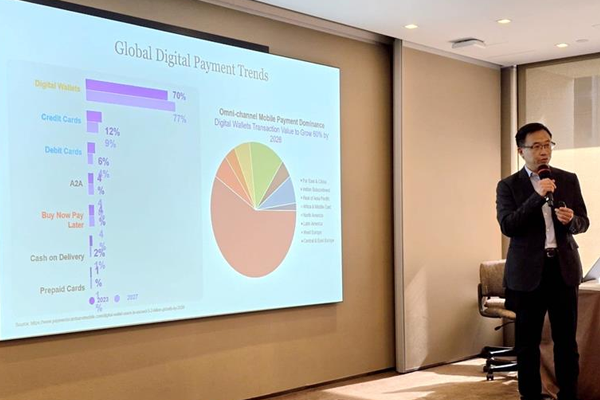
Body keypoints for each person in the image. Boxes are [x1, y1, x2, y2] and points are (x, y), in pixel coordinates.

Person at [496, 122, 589, 400]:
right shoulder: (508, 186)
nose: (544, 152)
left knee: (566, 343)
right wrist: (536, 197)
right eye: (536, 146)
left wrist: (572, 221)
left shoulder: (568, 179)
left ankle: (568, 395)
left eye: (547, 145)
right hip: (527, 275)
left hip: (562, 270)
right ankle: (530, 397)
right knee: (527, 345)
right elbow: (509, 225)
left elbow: (583, 222)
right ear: (521, 151)